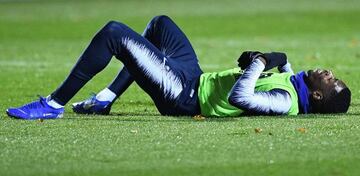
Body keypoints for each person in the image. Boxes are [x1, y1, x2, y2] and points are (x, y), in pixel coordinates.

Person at [6, 15, 351, 120]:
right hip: (196, 77)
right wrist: (270, 58)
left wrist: (259, 63)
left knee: (114, 34)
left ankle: (52, 105)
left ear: (318, 95)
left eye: (331, 81)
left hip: (185, 96)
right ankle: (105, 99)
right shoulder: (295, 82)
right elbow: (284, 62)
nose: (329, 72)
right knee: (159, 25)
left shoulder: (286, 102)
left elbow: (242, 96)